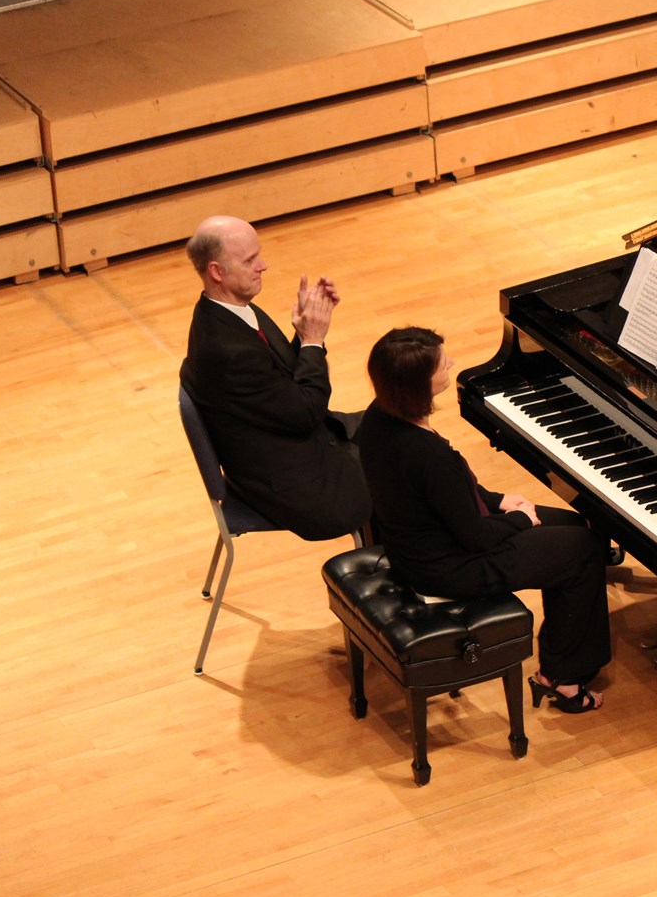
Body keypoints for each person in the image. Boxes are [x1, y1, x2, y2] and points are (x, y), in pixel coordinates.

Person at [355, 326, 612, 712]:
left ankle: (567, 654)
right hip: (450, 565)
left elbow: (442, 497)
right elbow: (474, 535)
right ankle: (562, 679)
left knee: (573, 525)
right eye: (441, 365)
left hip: (423, 542)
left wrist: (499, 500)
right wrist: (520, 520)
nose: (451, 364)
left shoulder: (377, 417)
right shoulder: (428, 455)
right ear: (418, 385)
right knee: (583, 549)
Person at [180, 215, 371, 541]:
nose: (263, 266)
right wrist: (313, 341)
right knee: (406, 461)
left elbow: (275, 383)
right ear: (216, 271)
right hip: (296, 483)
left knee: (398, 425)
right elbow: (305, 413)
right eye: (250, 260)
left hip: (288, 443)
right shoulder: (228, 351)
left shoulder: (229, 311)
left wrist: (304, 331)